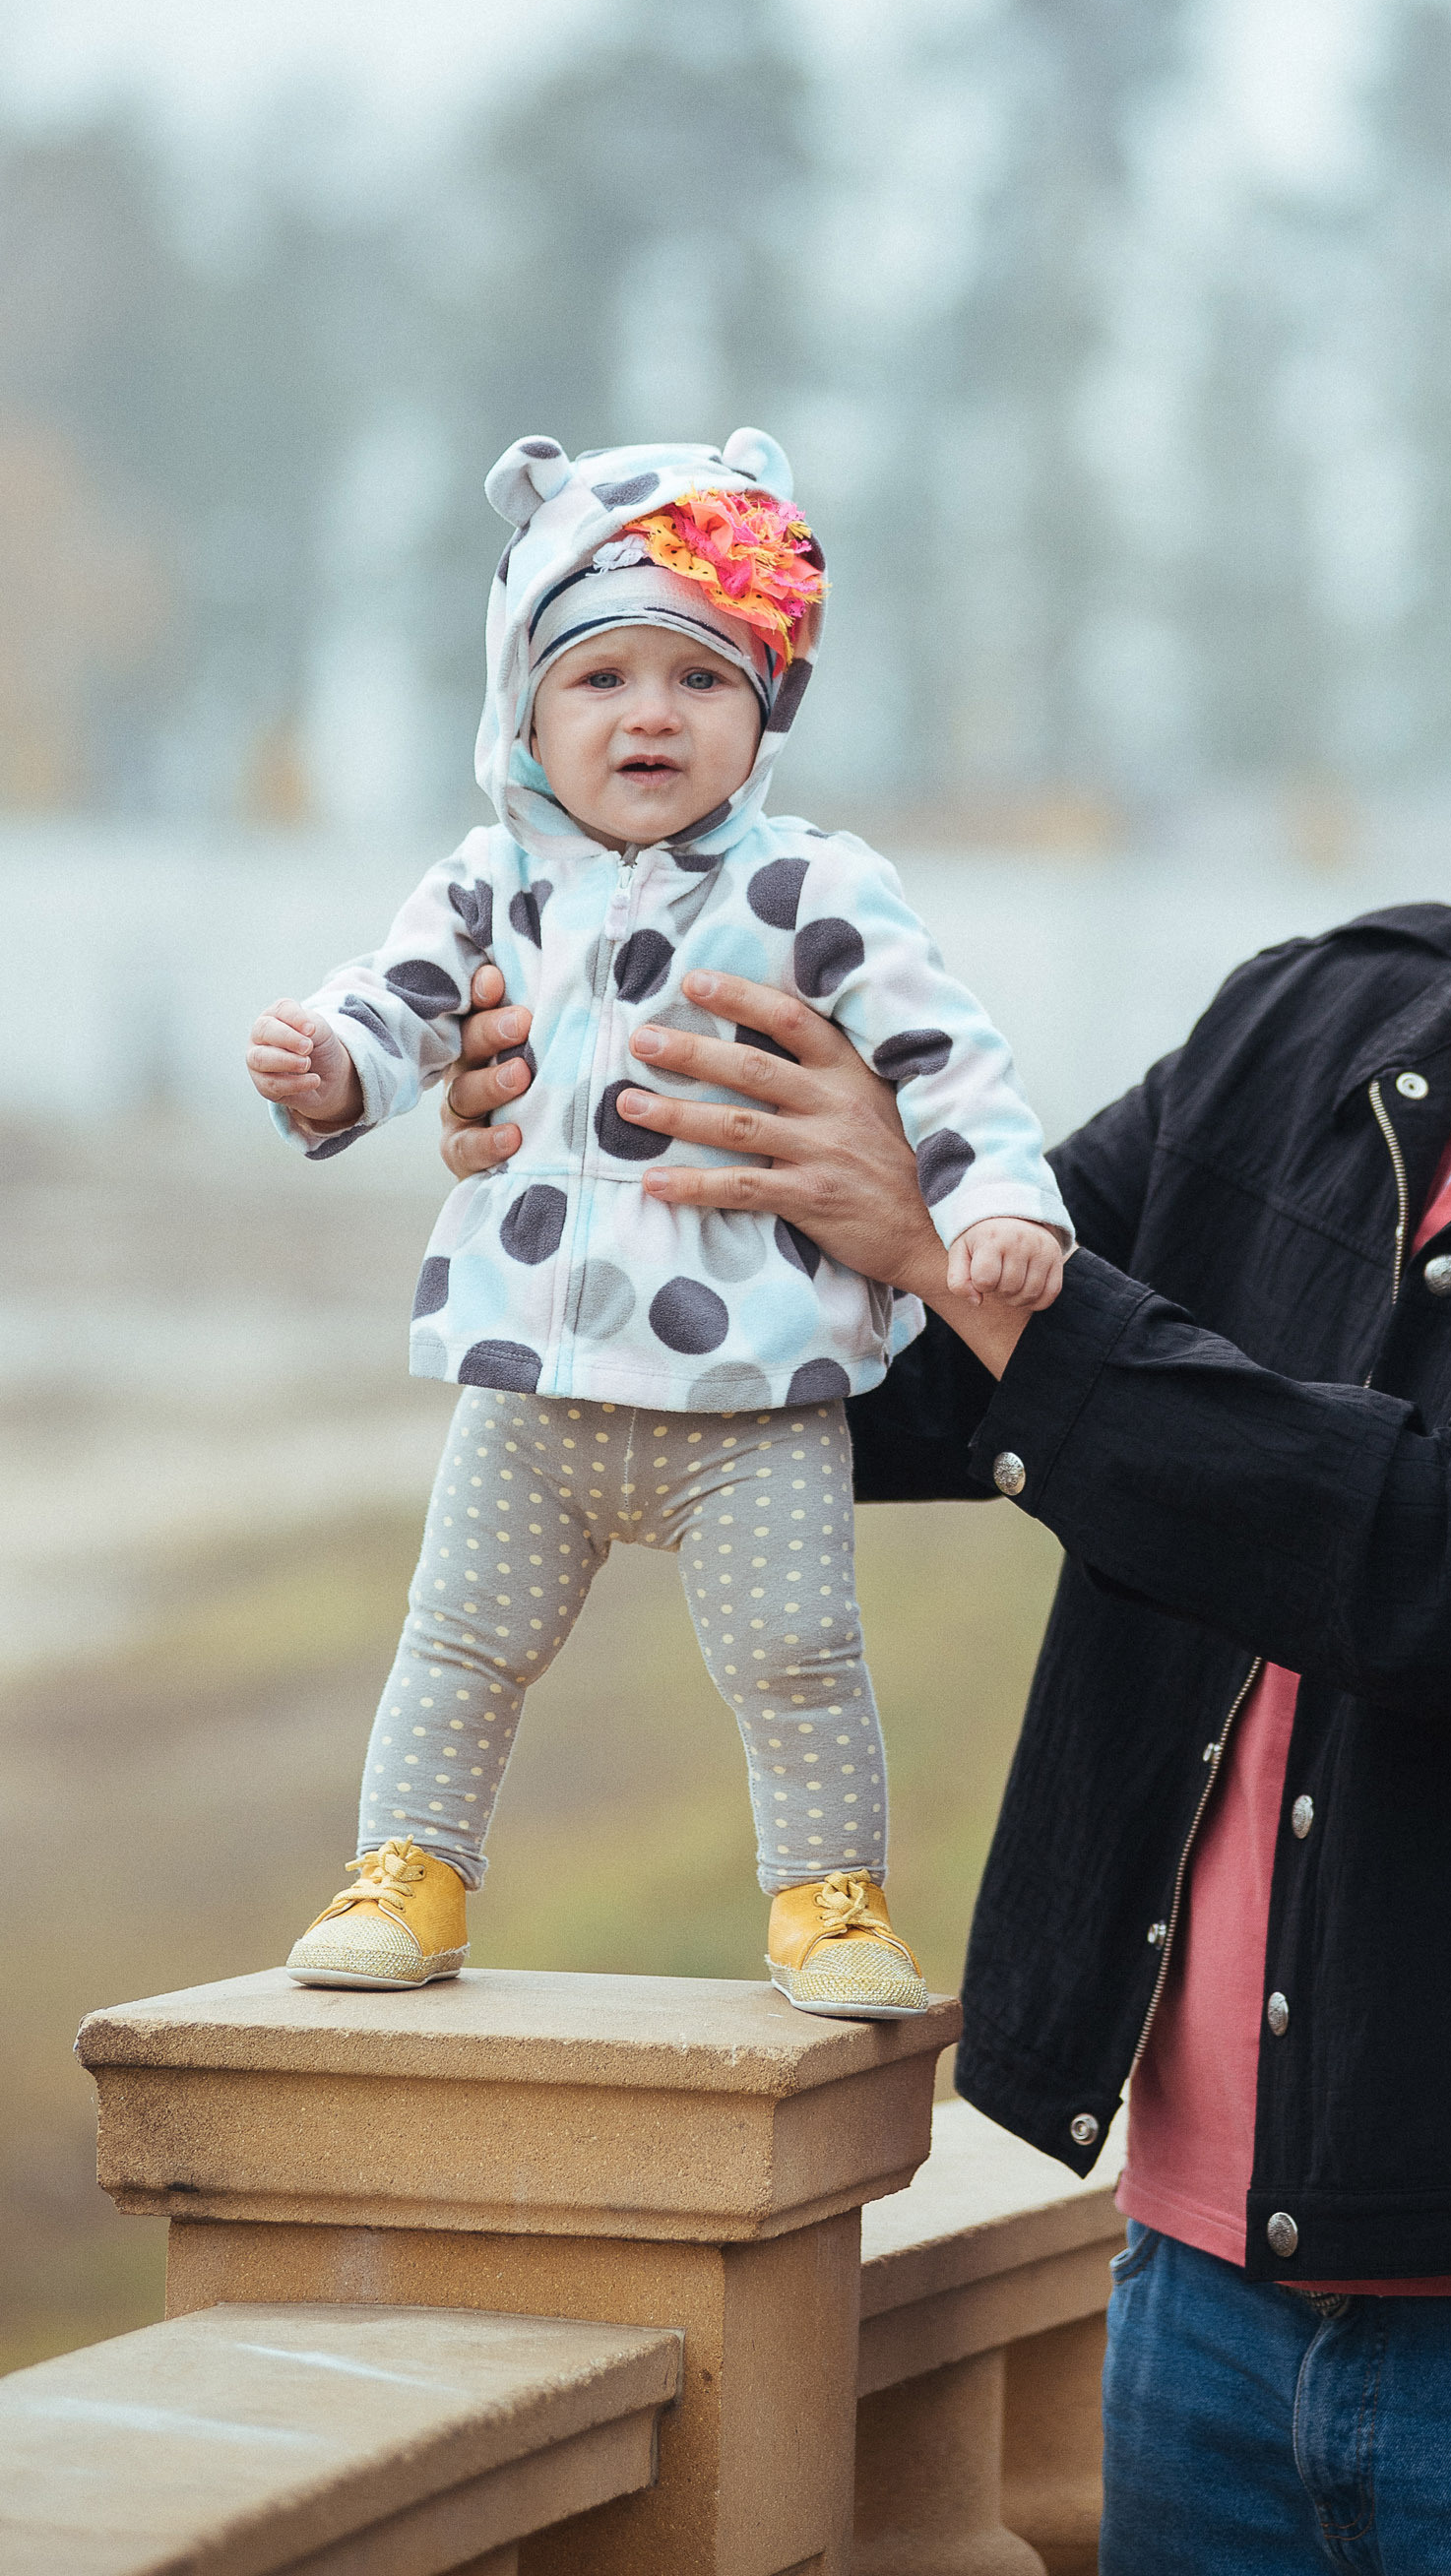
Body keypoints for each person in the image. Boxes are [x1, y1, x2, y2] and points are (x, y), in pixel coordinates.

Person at [440, 417, 1451, 2574]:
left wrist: (952, 1251)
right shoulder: (1318, 1022)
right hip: (1192, 2306)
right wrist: (605, 1162)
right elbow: (921, 1394)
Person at [249, 425, 1066, 2019]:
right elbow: (397, 1005)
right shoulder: (487, 883)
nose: (651, 713)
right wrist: (335, 1064)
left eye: (701, 677)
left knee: (798, 1657)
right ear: (524, 709)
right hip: (530, 1389)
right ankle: (408, 1870)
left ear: (767, 706)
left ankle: (828, 1900)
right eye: (601, 675)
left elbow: (947, 1057)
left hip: (750, 1393)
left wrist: (998, 1202)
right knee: (458, 1643)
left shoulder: (815, 888)